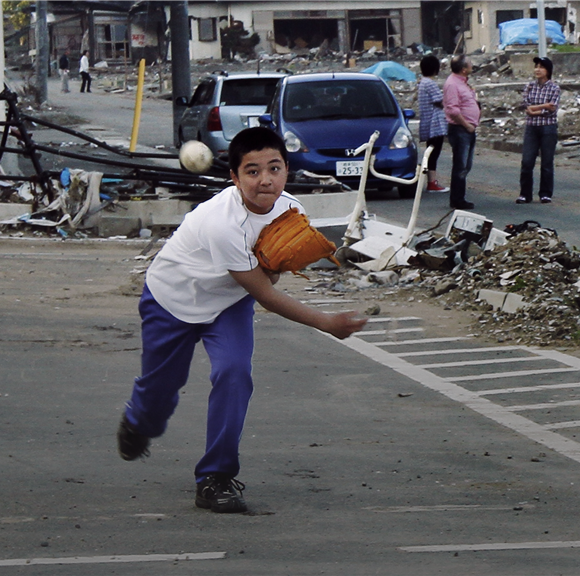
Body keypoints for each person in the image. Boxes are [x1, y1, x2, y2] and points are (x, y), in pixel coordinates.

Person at [116, 127, 368, 514]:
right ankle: (138, 421)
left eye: (274, 168)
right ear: (234, 178)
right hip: (173, 298)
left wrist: (273, 267)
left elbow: (269, 274)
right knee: (160, 392)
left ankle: (214, 477)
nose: (265, 179)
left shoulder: (291, 210)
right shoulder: (222, 222)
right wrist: (326, 322)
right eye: (252, 171)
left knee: (235, 373)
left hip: (228, 303)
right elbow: (265, 293)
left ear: (287, 169)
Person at [517, 56, 561, 204]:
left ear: (548, 70)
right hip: (531, 128)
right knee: (527, 161)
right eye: (536, 66)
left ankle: (545, 193)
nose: (537, 70)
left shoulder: (554, 88)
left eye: (541, 67)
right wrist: (544, 106)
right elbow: (526, 105)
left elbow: (552, 110)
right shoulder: (529, 86)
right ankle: (525, 194)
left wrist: (538, 109)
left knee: (547, 162)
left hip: (548, 127)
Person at [442, 54, 480, 210]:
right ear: (464, 69)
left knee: (466, 165)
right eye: (470, 64)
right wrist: (466, 125)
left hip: (468, 128)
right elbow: (452, 110)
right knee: (460, 165)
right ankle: (457, 199)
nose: (472, 66)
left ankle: (460, 196)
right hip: (460, 129)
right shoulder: (452, 84)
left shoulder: (463, 83)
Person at [417, 55, 449, 194]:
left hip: (427, 122)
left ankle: (431, 182)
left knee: (431, 153)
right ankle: (432, 182)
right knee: (434, 154)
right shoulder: (430, 84)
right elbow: (440, 100)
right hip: (435, 124)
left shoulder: (422, 83)